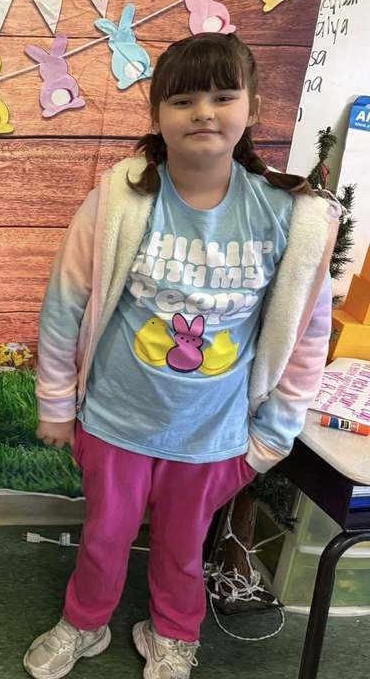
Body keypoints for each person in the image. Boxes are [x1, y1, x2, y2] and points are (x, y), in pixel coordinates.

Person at [24, 33, 338, 679]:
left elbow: (307, 336)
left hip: (213, 435)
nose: (204, 112)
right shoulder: (120, 201)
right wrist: (57, 403)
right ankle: (84, 624)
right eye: (184, 99)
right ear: (156, 113)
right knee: (105, 539)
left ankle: (172, 632)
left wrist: (271, 438)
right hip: (115, 422)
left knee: (182, 549)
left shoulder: (289, 216)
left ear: (251, 107)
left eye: (224, 96)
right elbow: (65, 305)